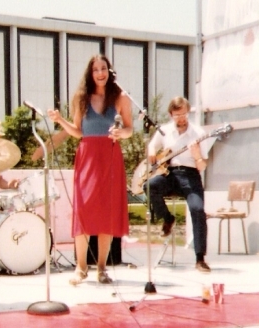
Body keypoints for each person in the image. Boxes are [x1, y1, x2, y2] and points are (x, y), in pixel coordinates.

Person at [47, 54, 133, 285]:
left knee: (106, 212)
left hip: (111, 156)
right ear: (90, 73)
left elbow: (130, 129)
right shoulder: (81, 98)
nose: (100, 73)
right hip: (88, 156)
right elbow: (78, 131)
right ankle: (81, 267)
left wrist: (120, 133)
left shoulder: (120, 97)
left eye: (104, 68)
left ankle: (102, 268)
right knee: (84, 210)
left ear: (109, 71)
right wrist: (60, 121)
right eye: (96, 69)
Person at [145, 96, 211, 272]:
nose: (181, 118)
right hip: (170, 174)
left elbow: (203, 165)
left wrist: (196, 155)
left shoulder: (198, 133)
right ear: (170, 114)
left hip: (191, 175)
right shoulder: (165, 130)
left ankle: (200, 258)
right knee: (150, 185)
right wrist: (152, 151)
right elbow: (152, 145)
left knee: (197, 210)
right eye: (177, 115)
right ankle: (167, 218)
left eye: (184, 114)